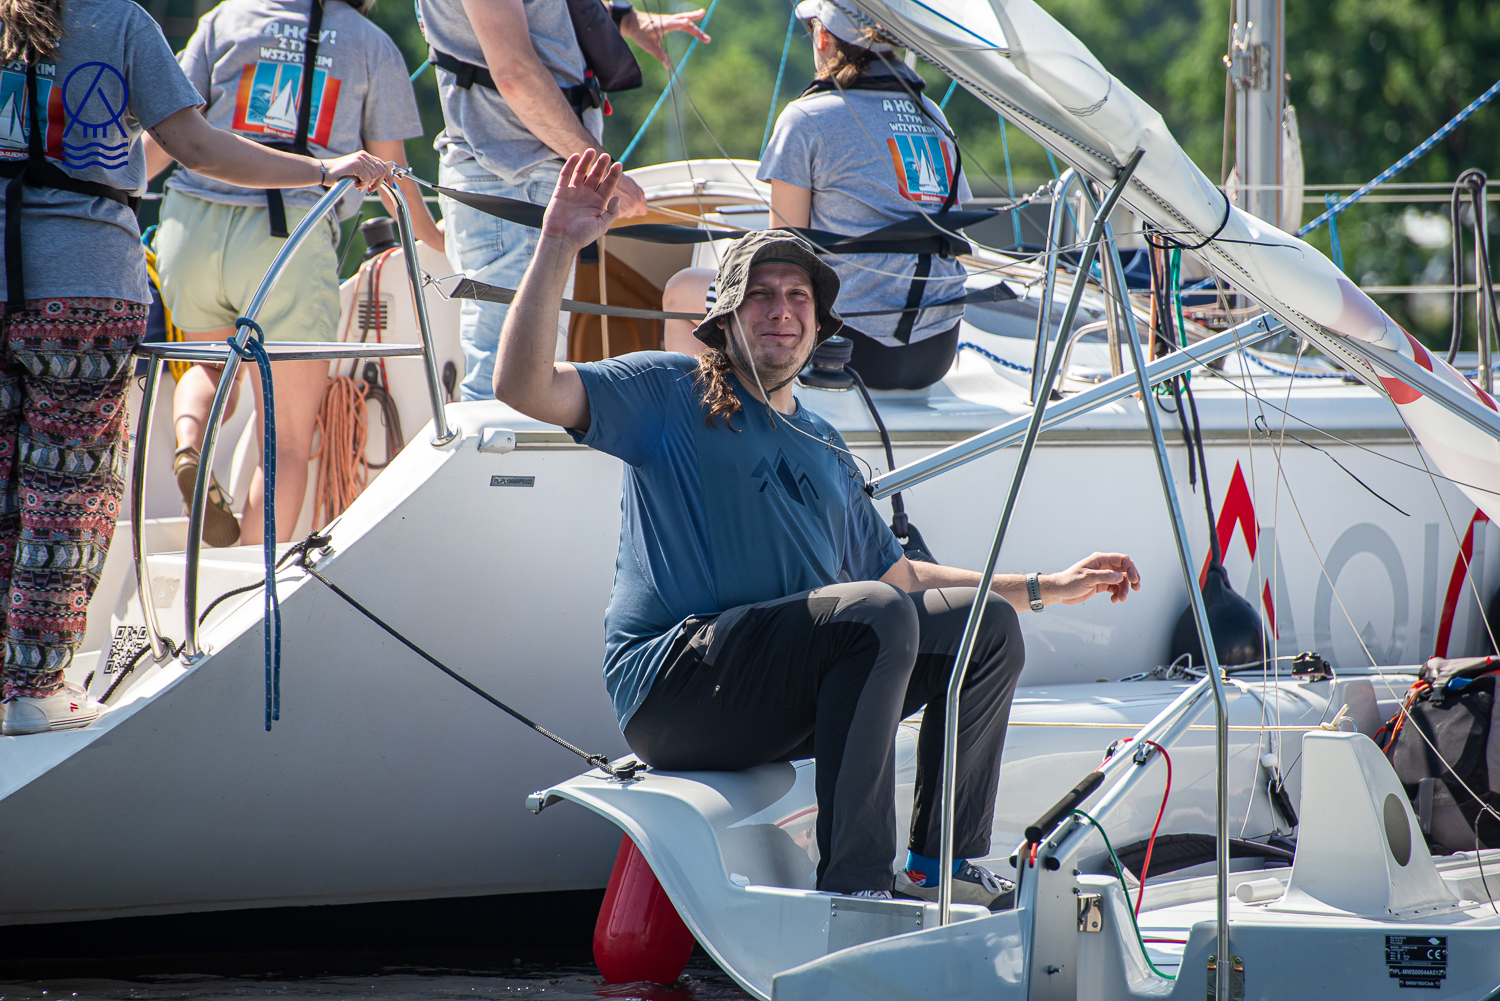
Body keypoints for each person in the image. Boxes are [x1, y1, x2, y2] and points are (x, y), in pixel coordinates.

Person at [496, 151, 1141, 903]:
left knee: (985, 628)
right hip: (675, 692)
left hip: (782, 690)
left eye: (797, 296)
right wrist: (557, 243)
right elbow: (522, 386)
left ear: (818, 324)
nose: (781, 309)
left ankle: (942, 864)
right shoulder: (668, 392)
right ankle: (857, 887)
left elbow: (905, 577)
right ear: (725, 318)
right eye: (760, 294)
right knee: (872, 613)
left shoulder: (825, 443)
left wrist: (1047, 586)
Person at [0, 0, 391, 734]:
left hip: (25, 270)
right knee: (66, 489)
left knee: (7, 484)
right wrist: (322, 167)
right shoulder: (118, 21)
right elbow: (194, 144)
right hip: (85, 282)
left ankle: (6, 675)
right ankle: (33, 687)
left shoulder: (208, 19)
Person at [145, 0, 443, 548]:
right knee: (283, 442)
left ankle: (190, 445)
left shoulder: (225, 19)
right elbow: (391, 172)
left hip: (191, 226)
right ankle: (251, 583)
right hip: (288, 239)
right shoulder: (371, 43)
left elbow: (165, 135)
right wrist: (436, 238)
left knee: (211, 370)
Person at [663, 0, 968, 393]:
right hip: (936, 352)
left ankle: (713, 416)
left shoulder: (808, 117)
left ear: (823, 37)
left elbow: (782, 257)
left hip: (849, 349)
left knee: (681, 290)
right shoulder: (933, 115)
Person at [417, 0, 709, 400]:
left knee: (525, 370)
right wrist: (600, 169)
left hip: (521, 178)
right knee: (509, 378)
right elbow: (515, 74)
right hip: (513, 178)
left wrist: (622, 17)